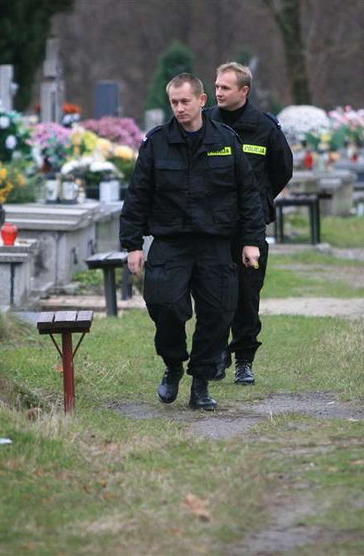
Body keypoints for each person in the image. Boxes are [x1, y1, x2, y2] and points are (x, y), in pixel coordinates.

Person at [120, 73, 265, 410]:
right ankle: (172, 365)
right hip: (172, 241)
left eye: (185, 101)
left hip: (215, 242)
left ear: (202, 101)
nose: (180, 108)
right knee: (165, 305)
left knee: (217, 313)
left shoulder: (226, 141)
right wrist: (133, 245)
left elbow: (248, 196)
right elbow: (137, 196)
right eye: (174, 102)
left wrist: (251, 240)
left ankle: (200, 384)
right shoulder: (156, 143)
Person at [209, 61, 293, 385]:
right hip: (213, 227)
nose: (218, 92)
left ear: (244, 91)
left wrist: (259, 199)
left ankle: (244, 360)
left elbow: (282, 169)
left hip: (249, 229)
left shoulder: (264, 127)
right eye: (216, 86)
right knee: (213, 296)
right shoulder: (206, 124)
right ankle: (217, 355)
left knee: (246, 297)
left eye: (225, 87)